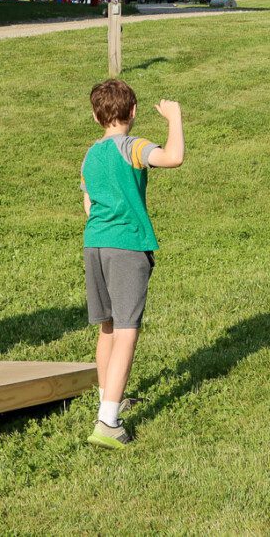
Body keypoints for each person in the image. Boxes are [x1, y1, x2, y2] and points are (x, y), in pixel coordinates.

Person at [79, 79, 184, 449]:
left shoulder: (91, 154)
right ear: (134, 112)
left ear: (96, 116)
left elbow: (89, 204)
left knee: (106, 328)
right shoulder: (132, 146)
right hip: (127, 247)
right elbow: (173, 157)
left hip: (94, 244)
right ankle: (108, 422)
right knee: (127, 330)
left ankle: (109, 398)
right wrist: (175, 118)